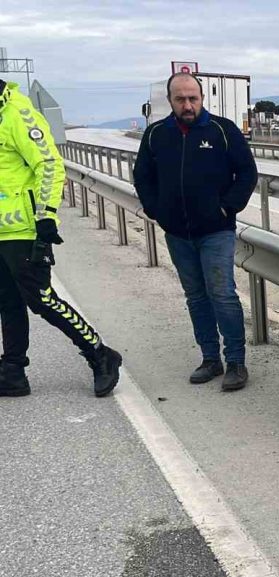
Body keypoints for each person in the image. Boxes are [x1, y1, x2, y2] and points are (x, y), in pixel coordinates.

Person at [133, 73, 257, 391]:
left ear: (202, 98)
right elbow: (143, 176)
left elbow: (247, 172)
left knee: (223, 295)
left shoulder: (222, 131)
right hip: (177, 232)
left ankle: (236, 363)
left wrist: (226, 207)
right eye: (180, 99)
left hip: (216, 230)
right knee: (196, 297)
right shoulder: (156, 135)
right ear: (170, 101)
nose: (188, 105)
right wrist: (156, 210)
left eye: (193, 98)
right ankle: (210, 359)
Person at [0, 79, 122, 398]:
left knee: (42, 300)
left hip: (25, 229)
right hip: (0, 231)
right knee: (7, 302)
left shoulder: (18, 114)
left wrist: (46, 215)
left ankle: (99, 354)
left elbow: (51, 165)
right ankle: (13, 371)